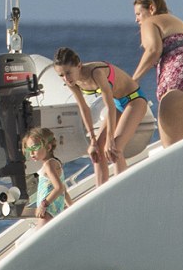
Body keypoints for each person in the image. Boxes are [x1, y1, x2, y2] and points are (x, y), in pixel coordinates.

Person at [53, 46, 148, 186]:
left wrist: (110, 139)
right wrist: (92, 139)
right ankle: (101, 190)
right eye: (61, 75)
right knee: (96, 149)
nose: (66, 78)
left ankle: (122, 189)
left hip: (134, 100)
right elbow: (84, 108)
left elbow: (109, 106)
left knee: (115, 148)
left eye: (68, 73)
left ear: (79, 66)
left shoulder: (96, 73)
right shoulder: (71, 82)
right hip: (117, 104)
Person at [133, 0, 183, 147]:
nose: (136, 19)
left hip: (178, 85)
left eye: (139, 13)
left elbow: (153, 50)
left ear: (151, 8)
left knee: (174, 154)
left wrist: (133, 80)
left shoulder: (151, 22)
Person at [22, 127, 72, 227]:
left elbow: (59, 188)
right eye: (29, 149)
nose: (31, 153)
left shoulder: (49, 165)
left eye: (35, 148)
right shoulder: (53, 163)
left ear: (48, 147)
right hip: (53, 211)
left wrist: (43, 205)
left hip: (48, 212)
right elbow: (63, 190)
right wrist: (72, 208)